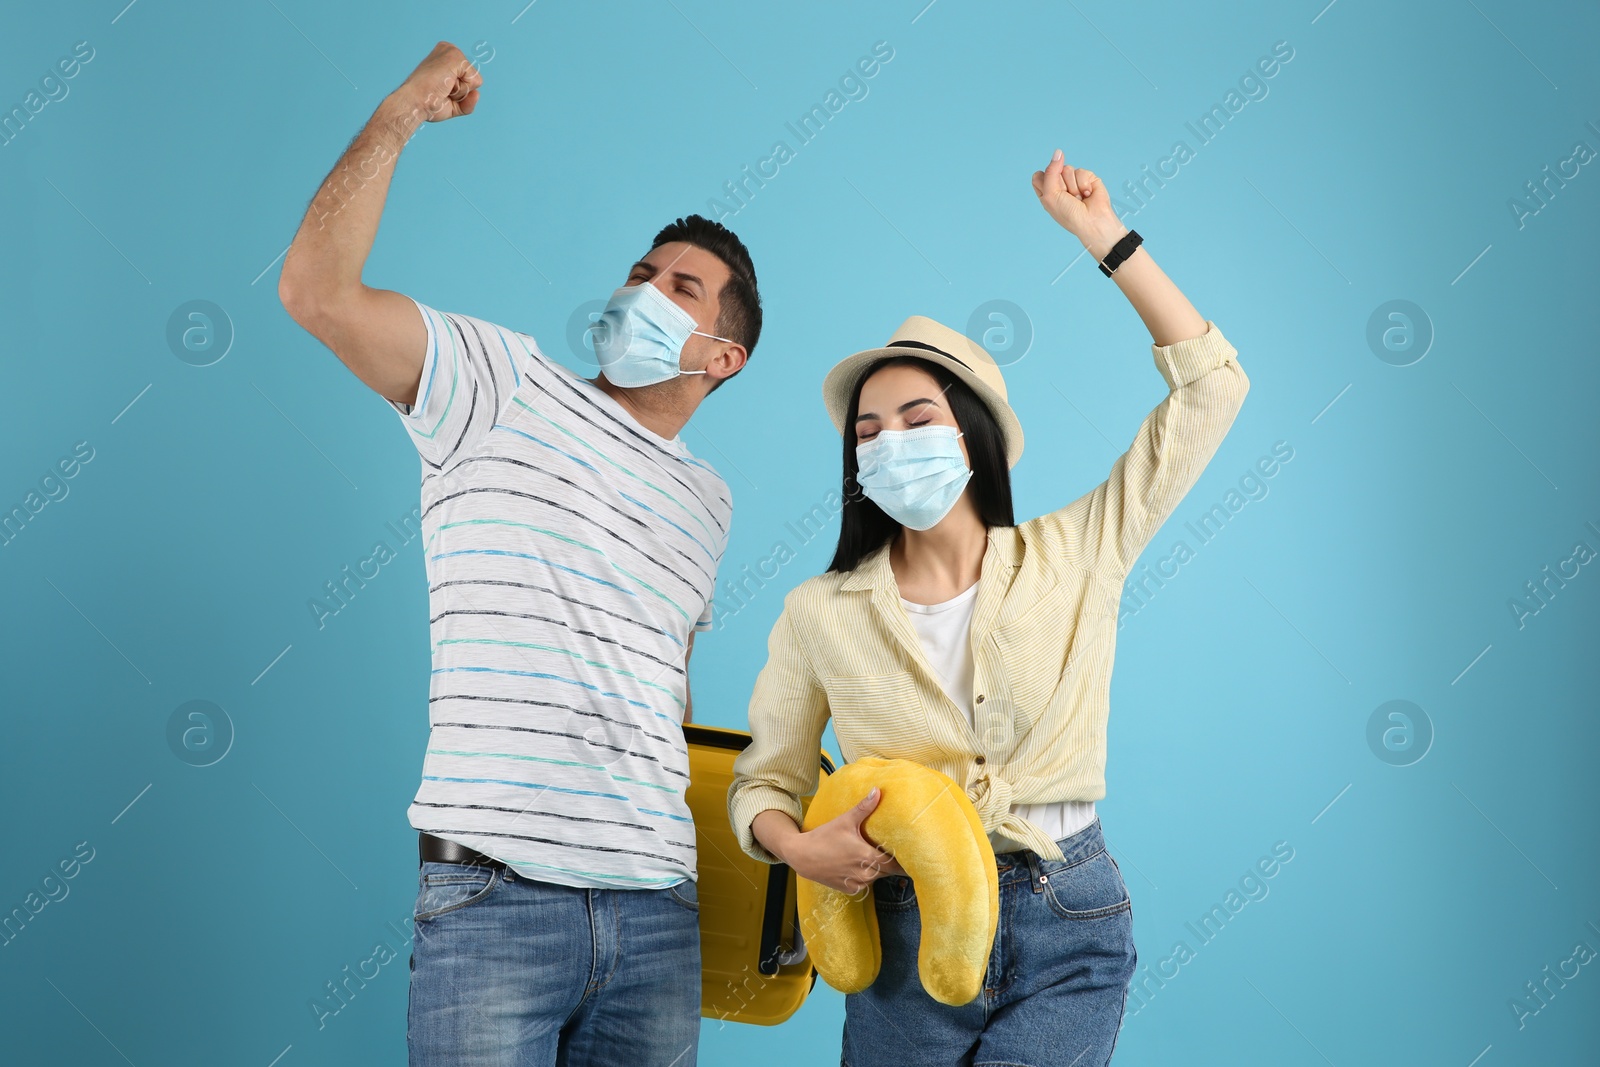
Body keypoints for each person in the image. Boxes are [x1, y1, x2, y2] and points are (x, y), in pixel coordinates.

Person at [277, 41, 761, 1067]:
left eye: (682, 286)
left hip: (659, 910)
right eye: (642, 271)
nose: (645, 289)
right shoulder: (500, 381)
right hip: (496, 895)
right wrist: (401, 113)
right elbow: (316, 291)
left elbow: (663, 688)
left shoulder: (709, 500)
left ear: (724, 358)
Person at [726, 149, 1248, 1065]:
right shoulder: (820, 610)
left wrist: (1103, 236)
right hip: (898, 927)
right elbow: (767, 780)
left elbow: (1212, 389)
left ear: (974, 434)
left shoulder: (1078, 550)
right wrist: (797, 848)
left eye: (918, 418)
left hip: (1067, 912)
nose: (890, 443)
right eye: (869, 431)